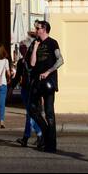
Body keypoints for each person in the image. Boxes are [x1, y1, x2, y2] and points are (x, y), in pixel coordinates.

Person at [23, 20, 63, 153]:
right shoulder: (35, 43)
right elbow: (32, 63)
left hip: (49, 82)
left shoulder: (53, 42)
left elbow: (60, 60)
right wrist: (34, 48)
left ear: (44, 29)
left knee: (49, 113)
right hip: (36, 82)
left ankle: (51, 145)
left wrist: (48, 72)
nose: (36, 30)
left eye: (37, 28)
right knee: (32, 108)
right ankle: (47, 133)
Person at [15, 36, 42, 146]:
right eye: (20, 47)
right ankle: (31, 137)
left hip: (33, 89)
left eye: (24, 47)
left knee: (30, 114)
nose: (21, 50)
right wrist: (11, 87)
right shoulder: (21, 62)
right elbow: (17, 76)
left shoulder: (33, 60)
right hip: (25, 89)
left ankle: (36, 135)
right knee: (29, 114)